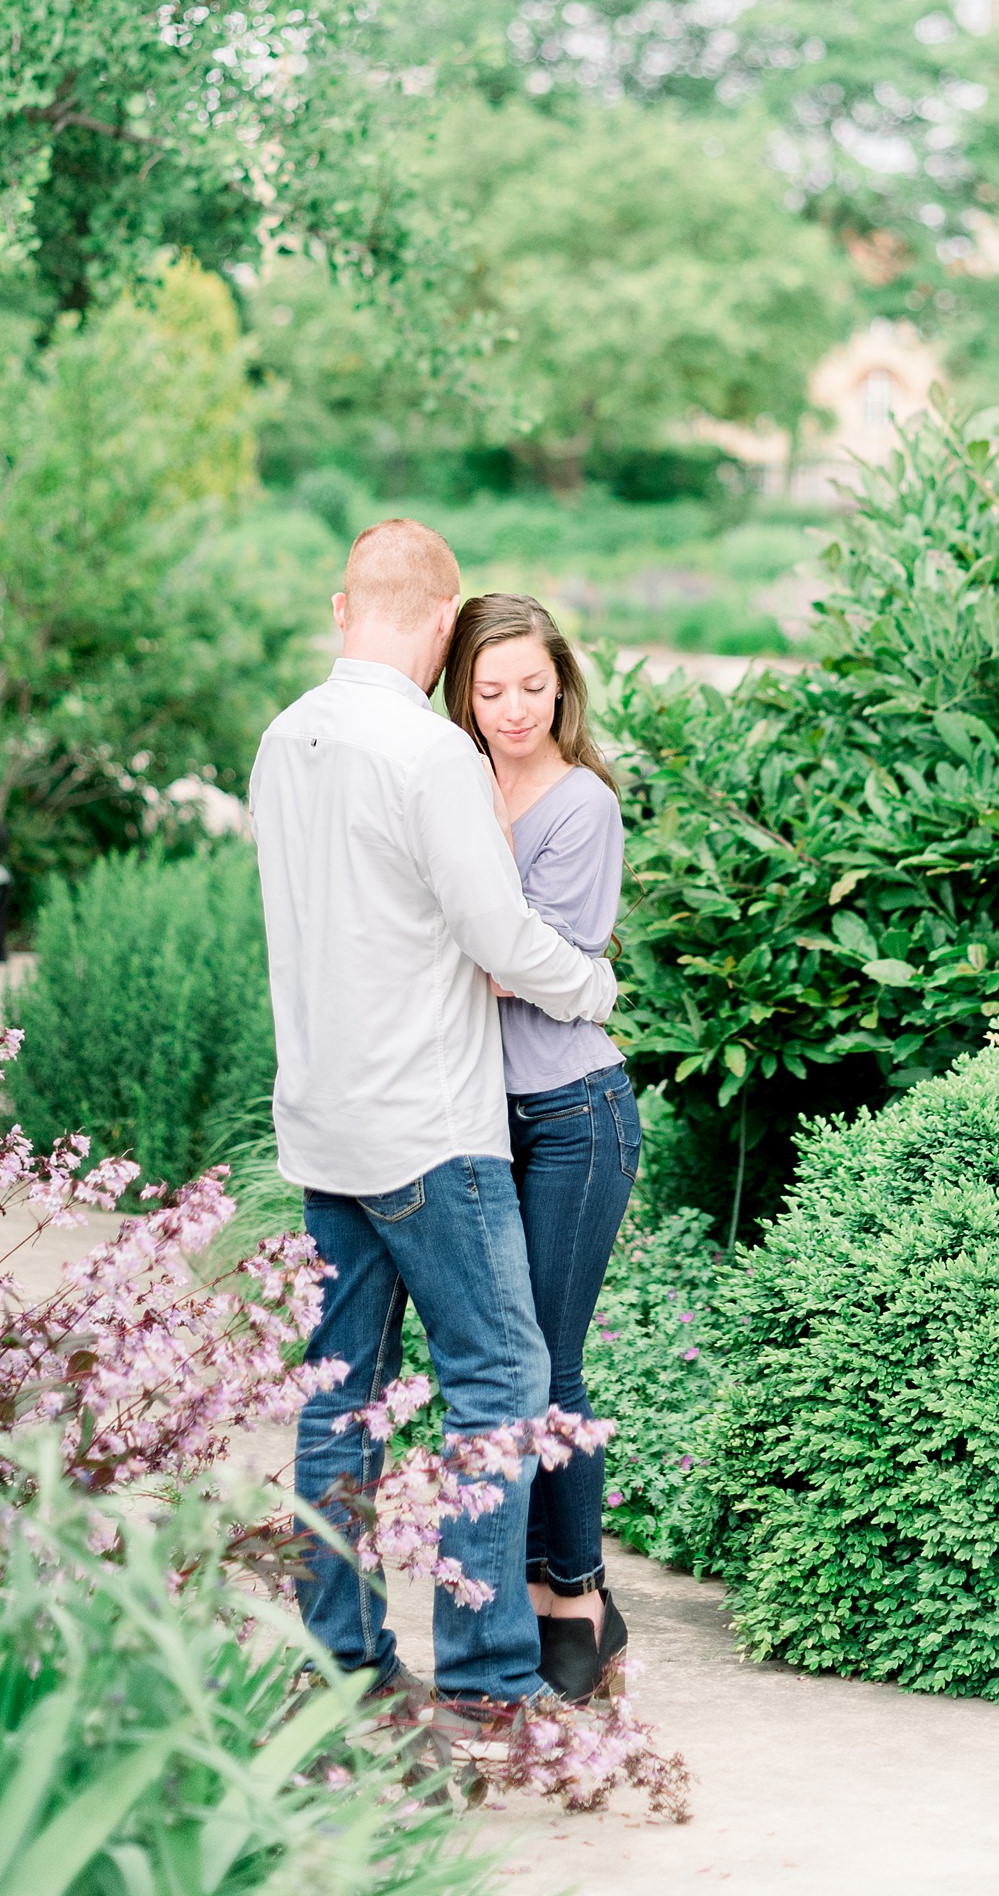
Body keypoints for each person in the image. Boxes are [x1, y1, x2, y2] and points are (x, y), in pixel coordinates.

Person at [248, 518, 618, 1730]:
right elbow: (503, 938)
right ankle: (488, 1676)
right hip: (427, 1129)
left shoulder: (283, 738)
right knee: (502, 1377)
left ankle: (345, 1667)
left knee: (340, 1394)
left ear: (341, 606)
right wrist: (595, 987)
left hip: (321, 1121)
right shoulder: (428, 755)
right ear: (452, 616)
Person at [443, 593, 639, 1705]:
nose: (514, 709)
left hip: (572, 1115)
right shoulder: (456, 784)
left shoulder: (579, 807)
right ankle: (528, 1584)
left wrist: (437, 939)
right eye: (489, 688)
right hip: (478, 1119)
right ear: (461, 693)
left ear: (561, 684)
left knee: (550, 1365)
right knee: (499, 1370)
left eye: (532, 685)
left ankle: (576, 1598)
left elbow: (527, 964)